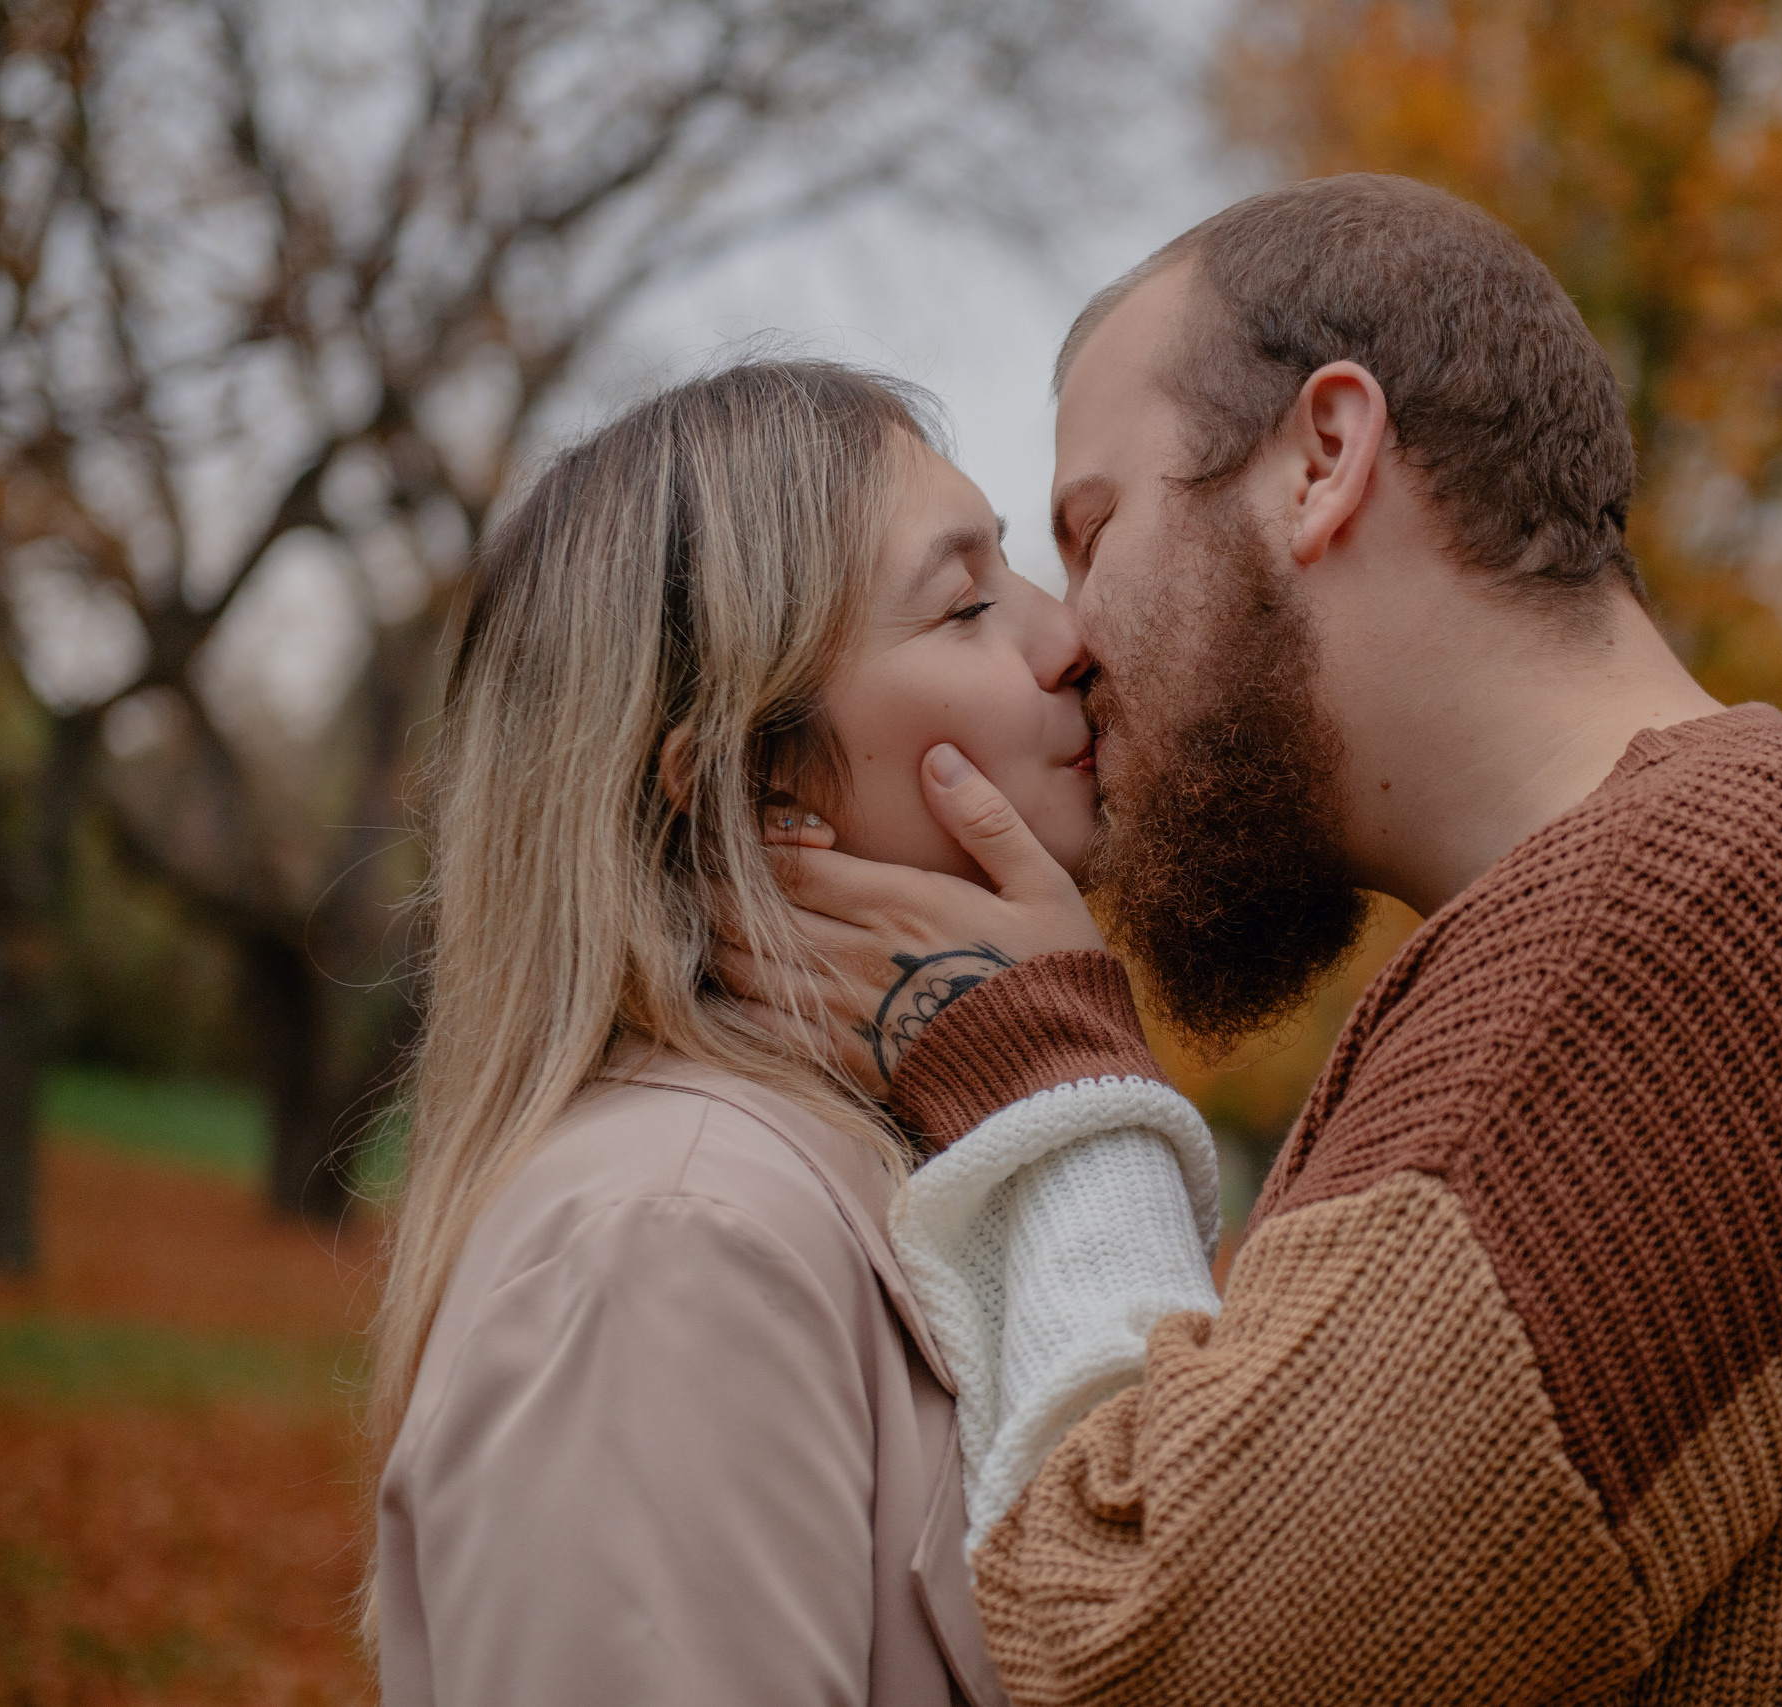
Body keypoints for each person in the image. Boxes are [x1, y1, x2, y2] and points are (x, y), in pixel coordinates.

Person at [736, 175, 1782, 1704]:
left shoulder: (1691, 930)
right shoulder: (1704, 887)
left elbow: (1127, 1654)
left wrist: (1048, 1089)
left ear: (1324, 461)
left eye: (1093, 531)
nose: (1068, 640)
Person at [363, 361, 1221, 1707]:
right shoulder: (675, 1238)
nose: (1069, 640)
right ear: (756, 796)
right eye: (968, 604)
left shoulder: (885, 1178)